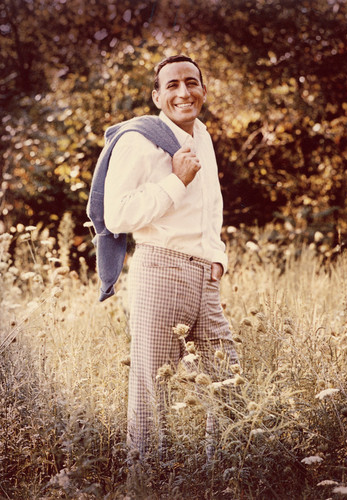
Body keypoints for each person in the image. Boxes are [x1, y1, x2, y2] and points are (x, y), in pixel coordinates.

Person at [103, 54, 239, 461]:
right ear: (157, 96)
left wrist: (217, 256)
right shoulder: (137, 140)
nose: (184, 92)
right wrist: (175, 180)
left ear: (203, 90)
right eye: (173, 85)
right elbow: (117, 215)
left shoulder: (203, 136)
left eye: (191, 82)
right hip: (160, 268)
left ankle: (226, 476)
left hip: (204, 277)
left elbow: (211, 203)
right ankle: (144, 478)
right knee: (152, 391)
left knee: (228, 381)